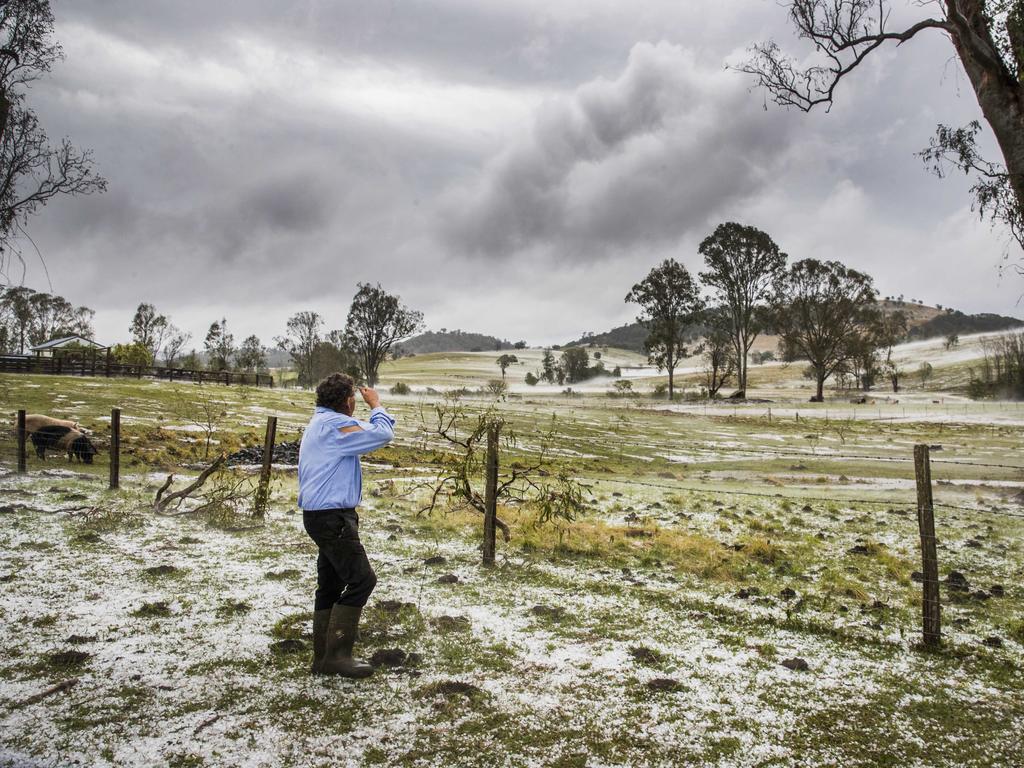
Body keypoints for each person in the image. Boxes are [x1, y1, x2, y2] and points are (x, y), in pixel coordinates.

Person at [298, 373, 395, 678]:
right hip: (332, 516)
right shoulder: (336, 426)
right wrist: (377, 405)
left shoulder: (320, 423)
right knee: (362, 580)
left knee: (330, 584)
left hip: (320, 515)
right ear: (348, 400)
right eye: (354, 396)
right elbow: (381, 434)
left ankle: (322, 658)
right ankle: (337, 656)